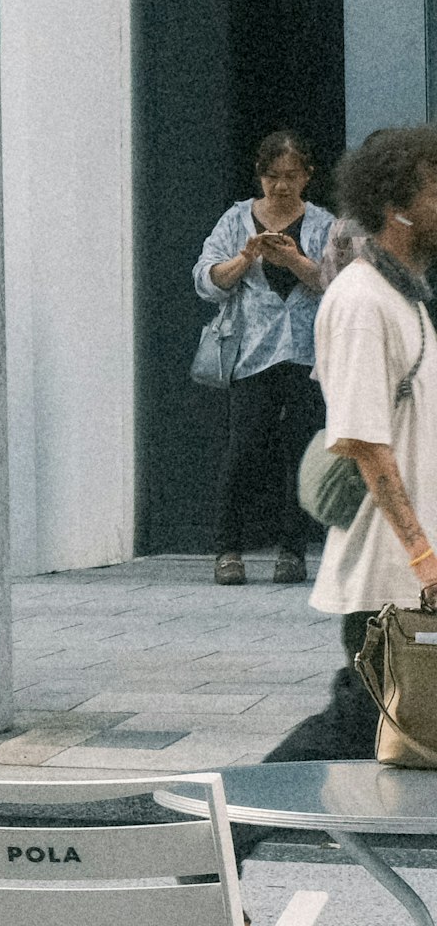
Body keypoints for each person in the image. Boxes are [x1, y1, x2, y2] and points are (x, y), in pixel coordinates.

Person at [264, 127, 437, 765]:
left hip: (408, 574)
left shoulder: (405, 300)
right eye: (436, 188)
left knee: (370, 728)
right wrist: (423, 556)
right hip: (389, 577)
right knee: (354, 726)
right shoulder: (363, 300)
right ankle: (212, 832)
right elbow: (365, 443)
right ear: (397, 207)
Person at [195, 129, 335, 585]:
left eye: (291, 176)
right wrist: (245, 257)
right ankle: (227, 549)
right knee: (245, 449)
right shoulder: (236, 220)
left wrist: (295, 260)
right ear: (260, 175)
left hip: (305, 354)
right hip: (251, 354)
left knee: (299, 449)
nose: (280, 186)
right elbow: (206, 279)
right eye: (272, 176)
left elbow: (338, 284)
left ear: (307, 177)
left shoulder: (322, 224)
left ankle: (292, 551)